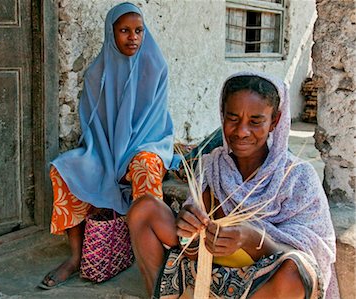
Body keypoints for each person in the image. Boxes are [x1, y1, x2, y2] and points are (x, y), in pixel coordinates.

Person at [127, 71, 338, 298]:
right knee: (144, 208)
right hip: (208, 271)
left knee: (296, 272)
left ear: (274, 121)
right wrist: (188, 229)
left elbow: (315, 255)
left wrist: (253, 240)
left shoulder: (297, 176)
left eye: (255, 121)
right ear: (222, 115)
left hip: (261, 282)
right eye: (233, 118)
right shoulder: (211, 165)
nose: (241, 131)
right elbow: (190, 248)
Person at [39, 2, 180, 289]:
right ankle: (76, 257)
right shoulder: (97, 73)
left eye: (139, 31)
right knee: (64, 168)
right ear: (111, 33)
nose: (133, 38)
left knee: (146, 168)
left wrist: (126, 156)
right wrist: (104, 157)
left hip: (145, 143)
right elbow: (94, 124)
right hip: (105, 148)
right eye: (124, 31)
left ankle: (157, 261)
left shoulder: (156, 67)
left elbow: (152, 122)